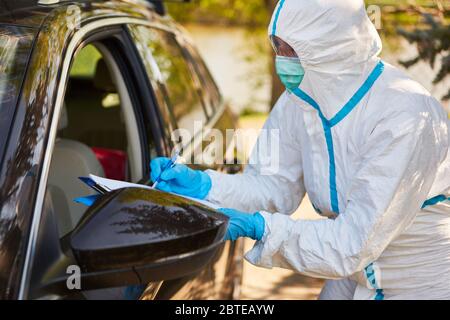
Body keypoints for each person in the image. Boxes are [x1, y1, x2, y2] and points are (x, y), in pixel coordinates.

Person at [150, 0, 450, 300]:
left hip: (420, 279)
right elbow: (272, 185)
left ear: (330, 47)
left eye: (290, 49)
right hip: (354, 270)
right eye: (277, 47)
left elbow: (351, 243)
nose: (281, 60)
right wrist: (206, 186)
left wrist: (262, 229)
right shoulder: (299, 100)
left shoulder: (405, 115)